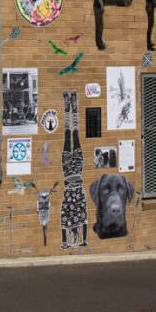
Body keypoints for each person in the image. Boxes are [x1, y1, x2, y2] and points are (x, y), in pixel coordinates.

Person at [60, 90, 88, 250]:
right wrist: (81, 241)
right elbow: (81, 222)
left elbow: (64, 224)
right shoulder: (78, 214)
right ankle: (72, 108)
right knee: (71, 134)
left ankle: (68, 108)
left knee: (70, 135)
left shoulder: (69, 216)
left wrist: (66, 243)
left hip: (72, 171)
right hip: (74, 171)